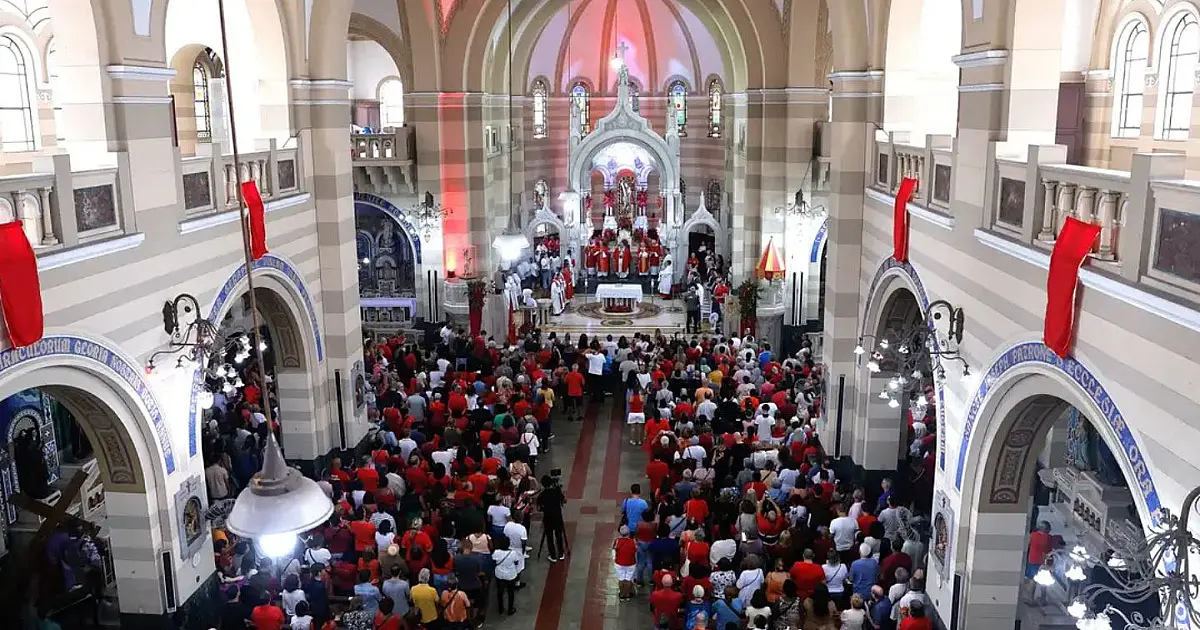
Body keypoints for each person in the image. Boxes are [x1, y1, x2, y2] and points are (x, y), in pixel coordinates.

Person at [537, 474, 567, 561]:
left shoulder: (541, 495)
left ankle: (553, 555)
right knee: (559, 535)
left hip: (548, 519)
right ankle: (561, 553)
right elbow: (564, 500)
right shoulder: (557, 491)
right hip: (558, 517)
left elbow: (539, 509)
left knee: (549, 537)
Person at [493, 536, 524, 615]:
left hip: (499, 574)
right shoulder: (513, 553)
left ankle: (500, 608)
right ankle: (510, 609)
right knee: (511, 592)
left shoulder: (496, 552)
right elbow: (516, 562)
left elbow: (493, 561)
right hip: (510, 575)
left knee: (500, 592)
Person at [613, 525, 638, 600]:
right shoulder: (633, 542)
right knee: (628, 579)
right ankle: (627, 594)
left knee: (621, 579)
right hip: (631, 563)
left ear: (620, 533)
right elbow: (636, 550)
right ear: (629, 533)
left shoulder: (617, 541)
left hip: (619, 563)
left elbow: (614, 550)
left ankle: (621, 594)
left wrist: (615, 558)